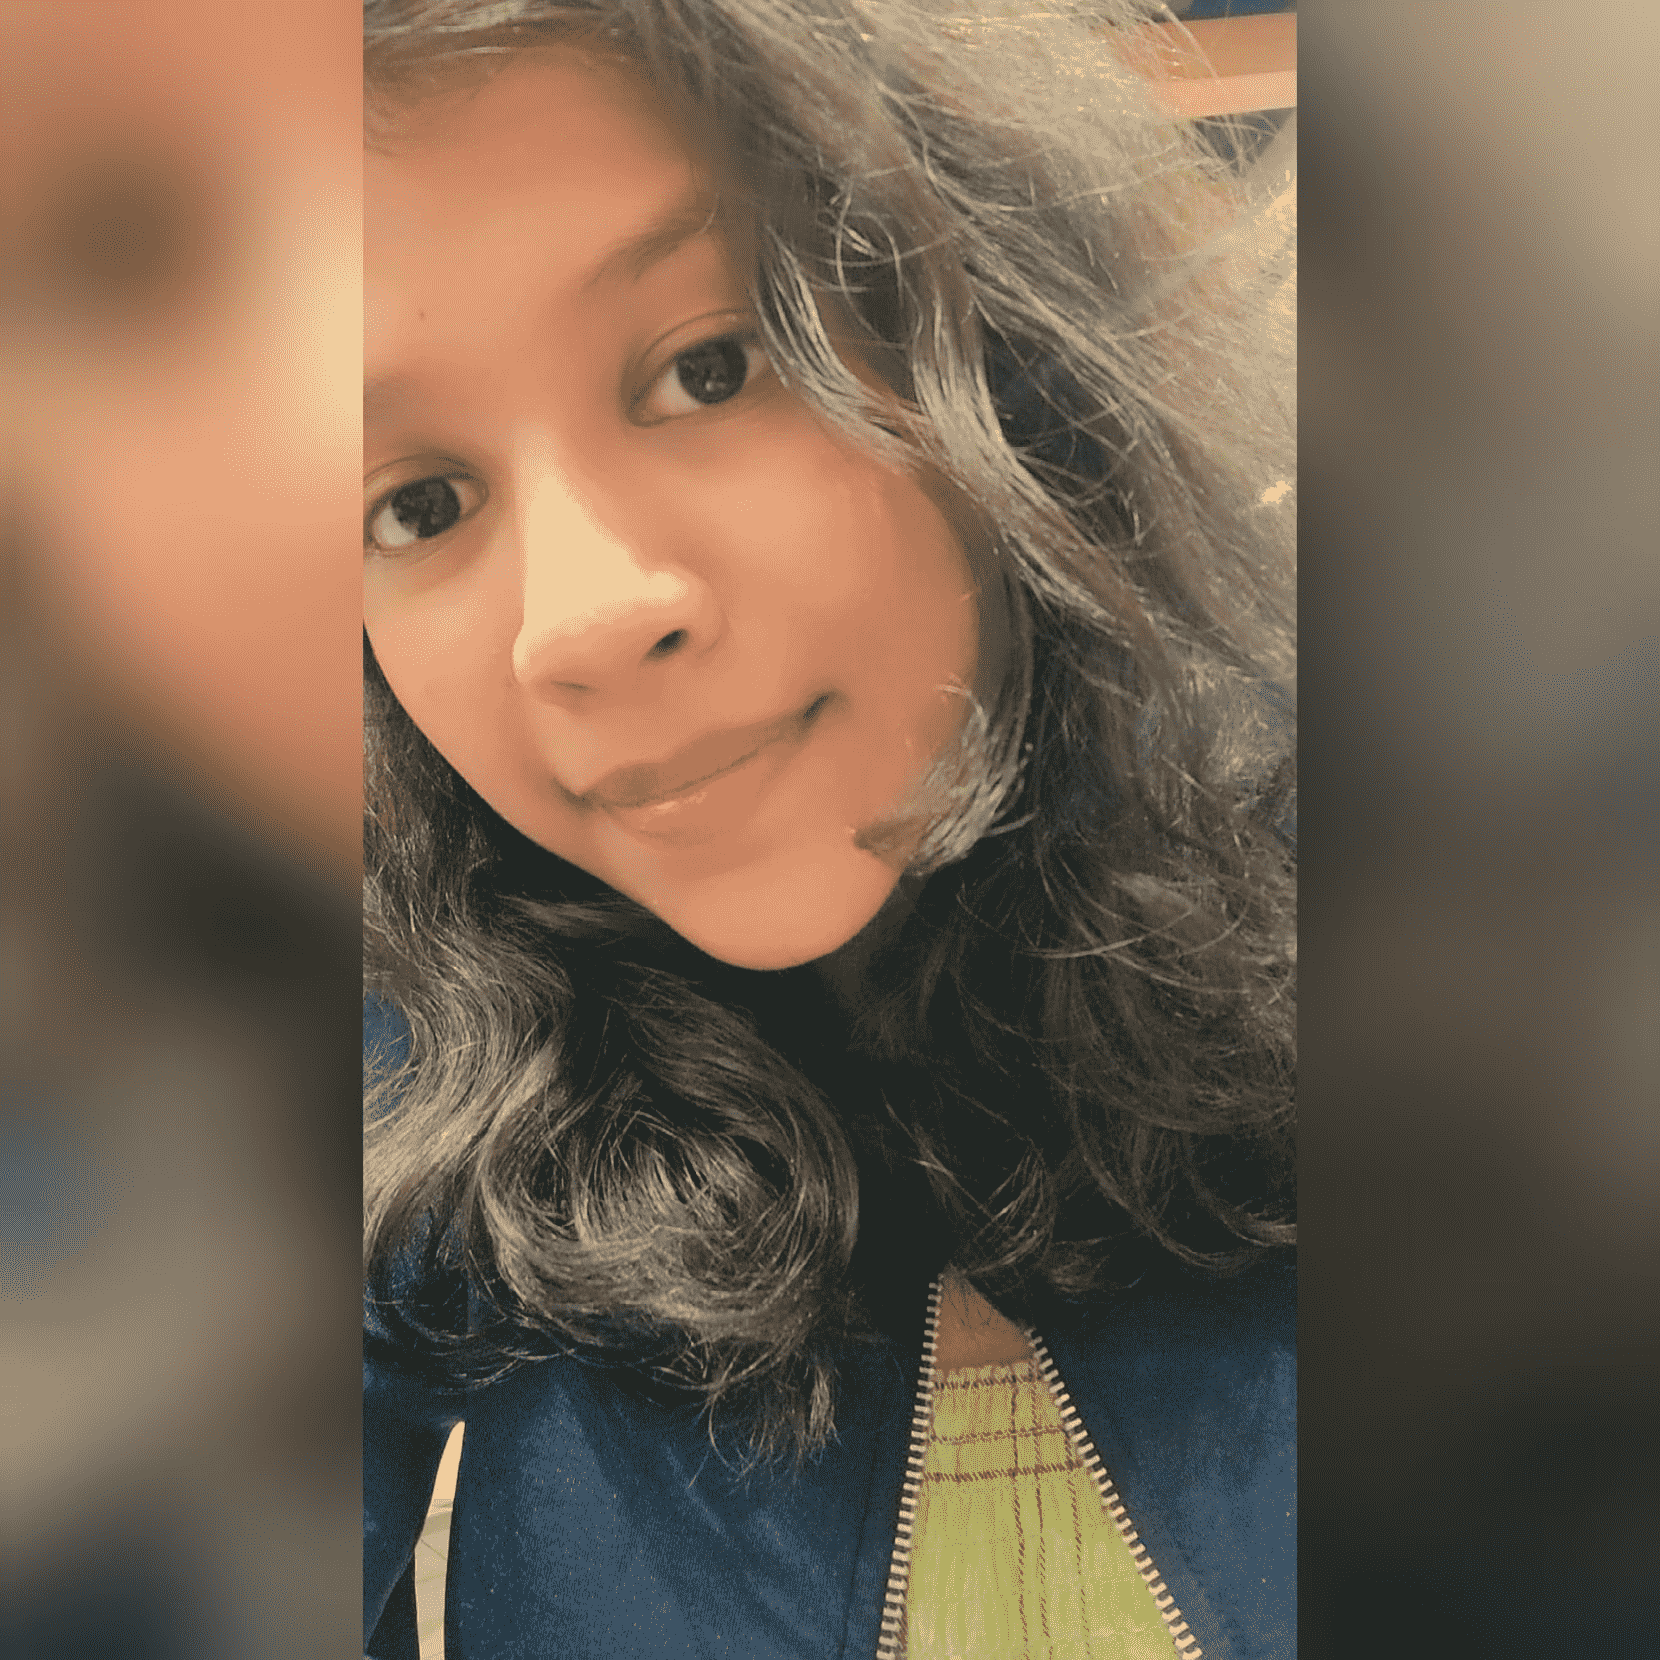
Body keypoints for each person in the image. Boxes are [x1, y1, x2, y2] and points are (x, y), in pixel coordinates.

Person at [362, 2, 1296, 1656]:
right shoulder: (408, 1079)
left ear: (993, 340)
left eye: (710, 365)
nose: (581, 619)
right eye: (415, 504)